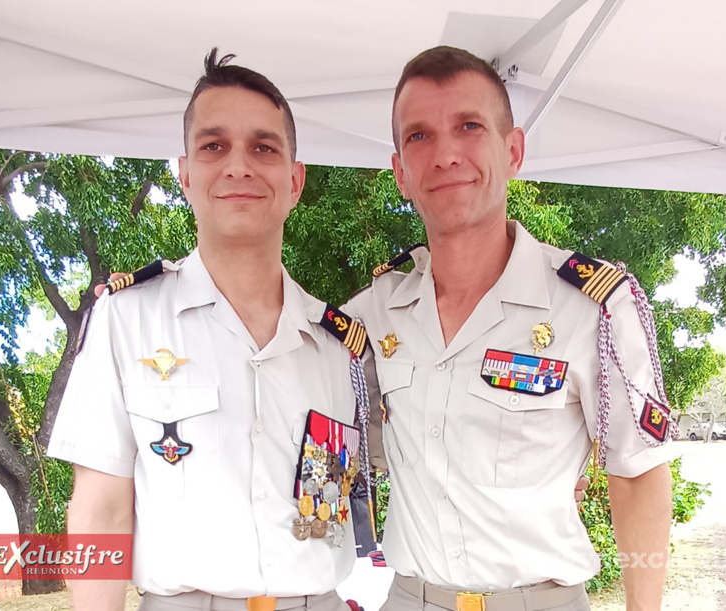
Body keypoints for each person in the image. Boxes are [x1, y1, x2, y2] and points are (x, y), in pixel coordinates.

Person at [345, 46, 678, 611]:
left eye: (469, 126)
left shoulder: (592, 306)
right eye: (419, 136)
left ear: (514, 150)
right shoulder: (370, 314)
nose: (446, 153)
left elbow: (638, 472)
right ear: (400, 171)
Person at [48, 49, 373, 611]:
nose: (238, 166)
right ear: (185, 174)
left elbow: (336, 505)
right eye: (214, 146)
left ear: (295, 180)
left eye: (264, 148)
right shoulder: (127, 321)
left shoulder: (337, 345)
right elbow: (100, 511)